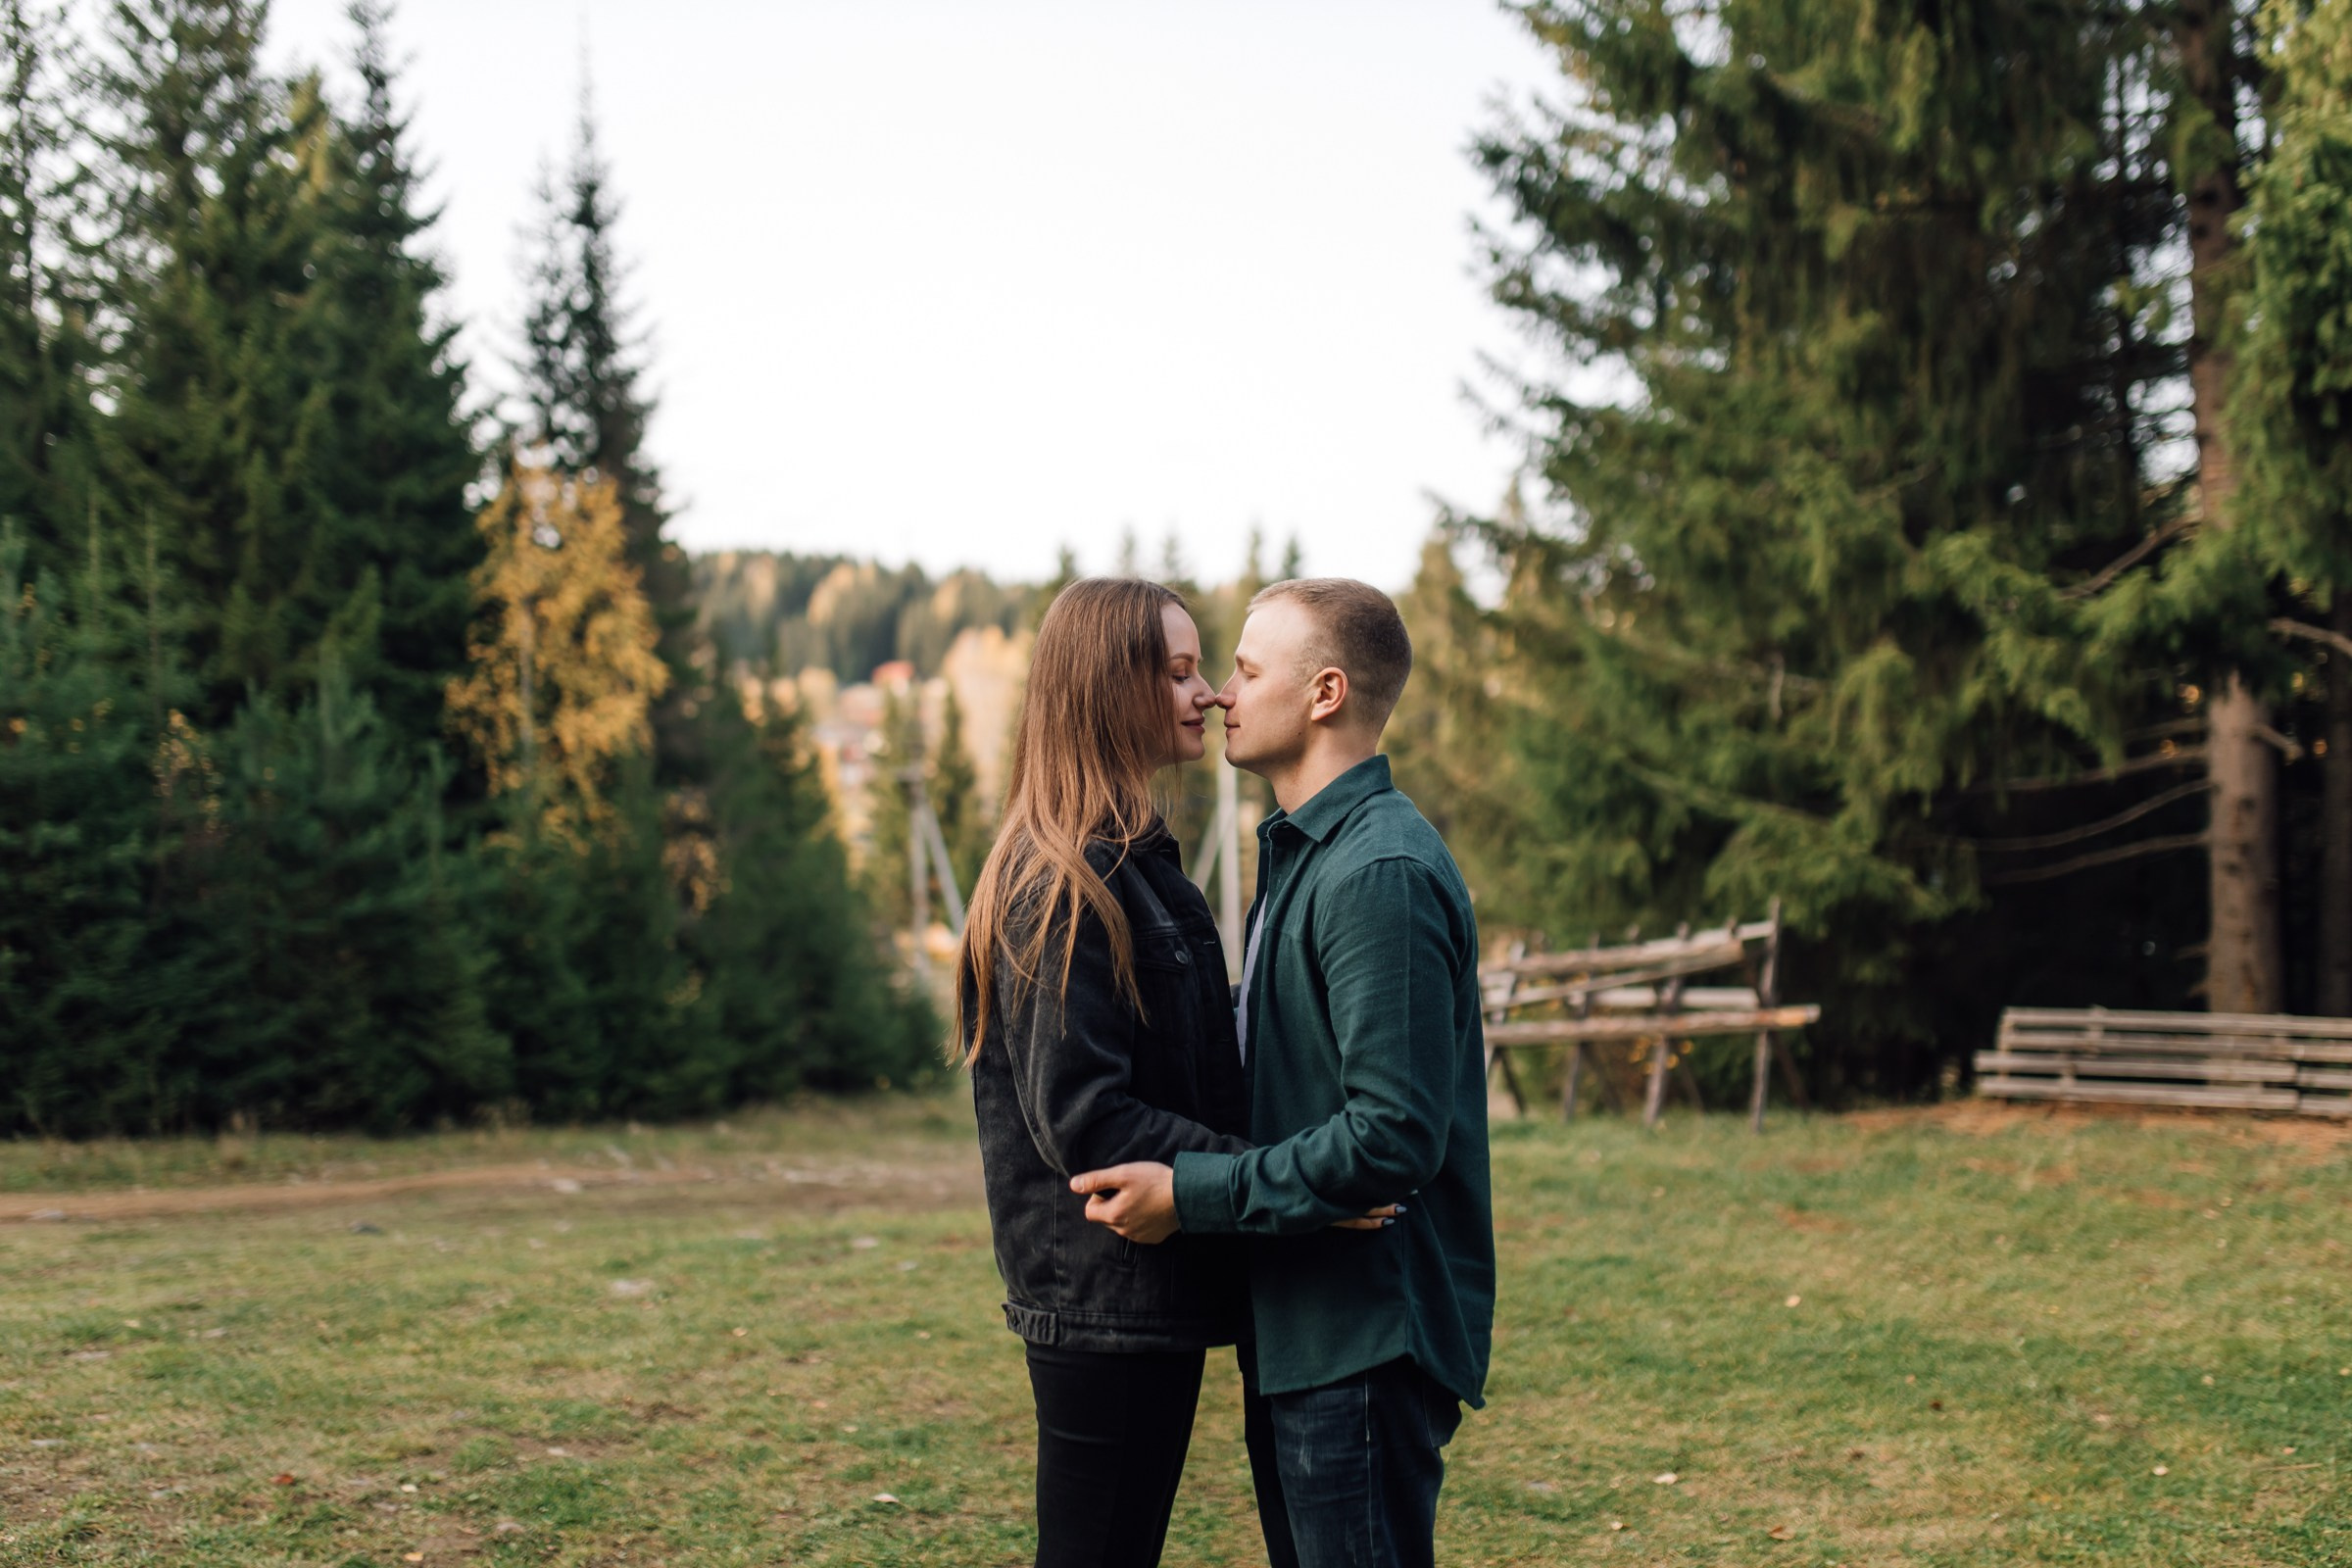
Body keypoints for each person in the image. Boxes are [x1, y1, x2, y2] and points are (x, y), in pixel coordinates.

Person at [955, 576, 1392, 1568]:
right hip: (1100, 1298)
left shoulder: (1138, 867)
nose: (1209, 695)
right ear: (1114, 688)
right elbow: (1092, 1122)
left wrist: (1300, 1169)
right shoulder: (1059, 882)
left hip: (1149, 1291)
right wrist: (1280, 1179)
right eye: (1184, 671)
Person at [1071, 577, 1494, 1568]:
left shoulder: (1376, 872)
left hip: (1363, 1335)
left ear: (1325, 693)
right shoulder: (1304, 857)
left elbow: (1392, 1135)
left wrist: (1193, 1191)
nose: (1220, 692)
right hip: (1308, 1321)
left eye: (1248, 670)